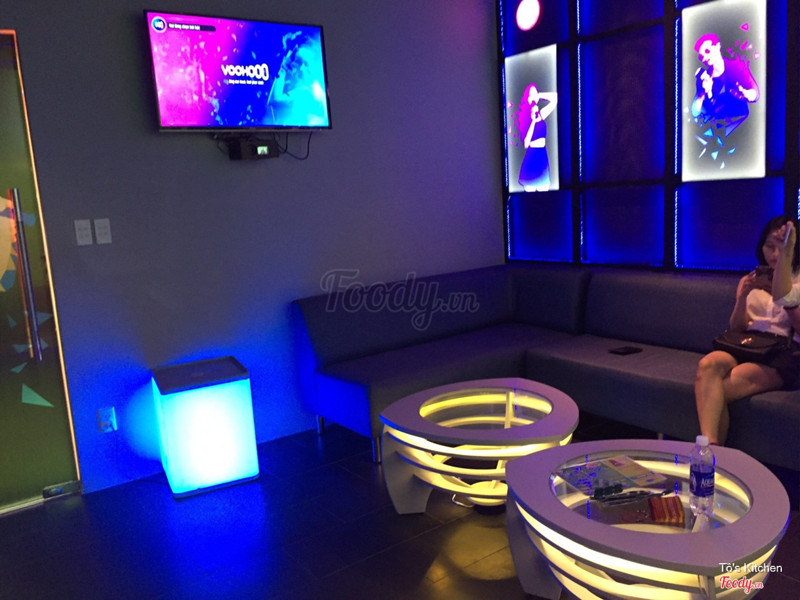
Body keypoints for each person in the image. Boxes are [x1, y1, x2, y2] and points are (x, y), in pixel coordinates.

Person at [695, 215, 800, 444]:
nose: (774, 253)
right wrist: (743, 296)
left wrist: (781, 295)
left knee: (713, 391)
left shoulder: (797, 282)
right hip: (747, 344)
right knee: (707, 365)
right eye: (769, 246)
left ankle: (709, 454)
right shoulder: (749, 279)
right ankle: (712, 454)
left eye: (780, 247)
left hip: (783, 352)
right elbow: (737, 327)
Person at [691, 32, 759, 137]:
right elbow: (695, 112)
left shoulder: (737, 66)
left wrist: (747, 94)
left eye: (707, 51)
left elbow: (755, 93)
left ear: (718, 46)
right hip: (716, 134)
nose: (704, 58)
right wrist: (702, 93)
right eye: (701, 56)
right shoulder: (703, 78)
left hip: (740, 130)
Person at [516, 83, 557, 192]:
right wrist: (533, 121)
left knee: (544, 192)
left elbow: (555, 99)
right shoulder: (524, 117)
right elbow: (526, 144)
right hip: (532, 157)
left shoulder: (541, 114)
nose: (534, 97)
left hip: (542, 155)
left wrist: (539, 95)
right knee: (529, 192)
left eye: (536, 93)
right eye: (532, 94)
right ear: (527, 97)